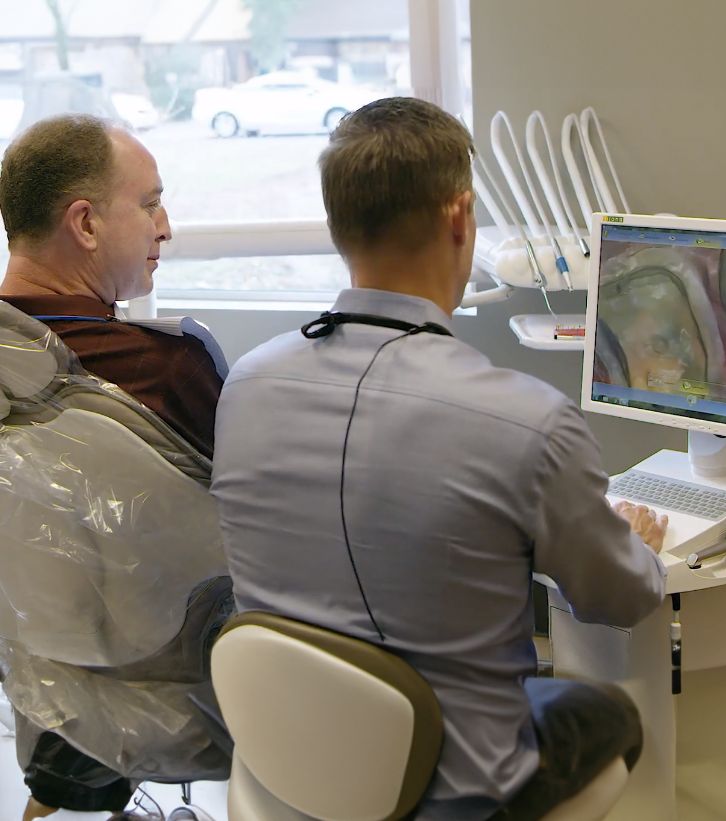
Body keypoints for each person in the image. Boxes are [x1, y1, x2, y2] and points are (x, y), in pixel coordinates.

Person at [211, 97, 668, 820]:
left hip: (288, 763)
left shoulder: (246, 382)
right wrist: (633, 549)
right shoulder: (527, 422)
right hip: (457, 791)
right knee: (606, 712)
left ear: (338, 225)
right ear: (459, 217)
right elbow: (619, 599)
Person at [0, 114, 226, 820]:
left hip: (47, 702)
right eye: (150, 203)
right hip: (182, 692)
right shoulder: (168, 370)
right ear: (85, 224)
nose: (166, 228)